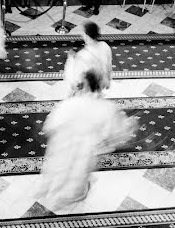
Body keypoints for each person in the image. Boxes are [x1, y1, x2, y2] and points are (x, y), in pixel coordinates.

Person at [40, 70, 137, 209]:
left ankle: (57, 194)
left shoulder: (70, 103)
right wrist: (129, 125)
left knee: (60, 170)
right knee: (78, 174)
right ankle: (72, 196)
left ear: (85, 85)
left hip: (63, 144)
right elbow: (115, 132)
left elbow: (50, 126)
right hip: (85, 149)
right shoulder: (105, 107)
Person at [64, 21, 112, 94]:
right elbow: (108, 66)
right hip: (101, 84)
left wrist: (71, 59)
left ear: (86, 36)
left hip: (87, 90)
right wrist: (108, 79)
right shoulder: (105, 46)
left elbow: (75, 80)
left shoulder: (82, 55)